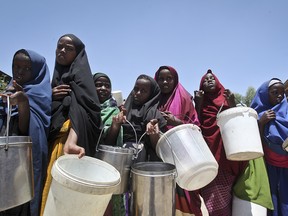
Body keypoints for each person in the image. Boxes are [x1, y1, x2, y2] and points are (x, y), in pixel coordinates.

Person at [40, 34, 102, 215]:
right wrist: (48, 96)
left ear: (78, 54)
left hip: (67, 149)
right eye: (60, 46)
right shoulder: (51, 85)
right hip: (49, 146)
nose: (62, 51)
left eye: (68, 48)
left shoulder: (81, 83)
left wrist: (72, 140)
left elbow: (84, 111)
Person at [0, 49, 52, 216]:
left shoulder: (40, 95)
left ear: (37, 71)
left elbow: (27, 130)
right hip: (4, 159)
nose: (20, 71)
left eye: (27, 68)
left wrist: (23, 102)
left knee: (18, 204)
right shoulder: (8, 90)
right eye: (16, 66)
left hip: (23, 162)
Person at [194, 69, 247, 216]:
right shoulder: (201, 102)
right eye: (205, 79)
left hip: (227, 157)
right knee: (213, 200)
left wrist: (232, 103)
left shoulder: (227, 99)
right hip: (209, 158)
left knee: (229, 199)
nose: (209, 80)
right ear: (201, 86)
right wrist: (198, 104)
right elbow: (196, 125)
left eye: (212, 78)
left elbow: (237, 124)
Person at [154, 65, 202, 216]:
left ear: (175, 80)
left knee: (186, 194)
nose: (165, 82)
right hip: (159, 154)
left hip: (182, 155)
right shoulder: (153, 99)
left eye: (169, 78)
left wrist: (176, 122)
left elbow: (196, 127)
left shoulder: (184, 97)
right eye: (161, 79)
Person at [250, 78, 288, 215]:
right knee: (273, 203)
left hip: (286, 167)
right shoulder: (256, 115)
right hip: (267, 167)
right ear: (265, 95)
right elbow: (254, 142)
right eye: (275, 92)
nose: (279, 96)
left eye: (282, 92)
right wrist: (261, 123)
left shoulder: (286, 112)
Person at [93, 72, 124, 216]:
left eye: (107, 85)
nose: (103, 88)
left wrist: (115, 126)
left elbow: (110, 145)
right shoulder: (85, 107)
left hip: (106, 165)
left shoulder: (114, 110)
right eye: (98, 85)